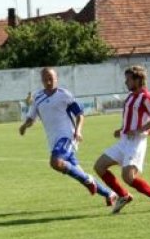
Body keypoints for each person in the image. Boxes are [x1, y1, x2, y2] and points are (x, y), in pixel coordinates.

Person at [19, 67, 116, 207]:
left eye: (51, 78)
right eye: (45, 79)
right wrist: (24, 126)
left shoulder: (64, 95)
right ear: (41, 80)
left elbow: (79, 115)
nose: (48, 81)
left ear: (56, 78)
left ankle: (88, 180)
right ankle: (109, 194)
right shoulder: (38, 98)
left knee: (55, 162)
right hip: (53, 140)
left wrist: (78, 131)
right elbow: (31, 119)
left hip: (66, 136)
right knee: (78, 173)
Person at [94, 65, 150, 214]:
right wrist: (121, 129)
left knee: (128, 177)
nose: (125, 82)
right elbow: (130, 118)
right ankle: (123, 195)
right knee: (99, 166)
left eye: (128, 79)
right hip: (124, 140)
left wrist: (140, 130)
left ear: (138, 80)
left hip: (136, 142)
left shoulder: (146, 97)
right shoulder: (131, 96)